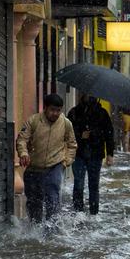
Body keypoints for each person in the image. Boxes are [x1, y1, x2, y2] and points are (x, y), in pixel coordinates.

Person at [16, 94, 78, 223]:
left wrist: (66, 162)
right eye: (52, 110)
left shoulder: (66, 123)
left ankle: (51, 232)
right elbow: (22, 139)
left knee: (52, 199)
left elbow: (72, 144)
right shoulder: (33, 121)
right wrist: (23, 154)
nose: (55, 113)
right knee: (34, 203)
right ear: (45, 108)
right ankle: (35, 230)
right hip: (34, 167)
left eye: (58, 110)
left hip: (55, 166)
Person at [67, 95, 115, 215]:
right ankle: (78, 213)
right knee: (78, 183)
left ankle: (94, 213)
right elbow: (67, 133)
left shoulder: (102, 113)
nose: (88, 96)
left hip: (96, 154)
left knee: (94, 185)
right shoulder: (74, 112)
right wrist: (80, 136)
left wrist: (110, 154)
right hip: (78, 153)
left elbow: (109, 134)